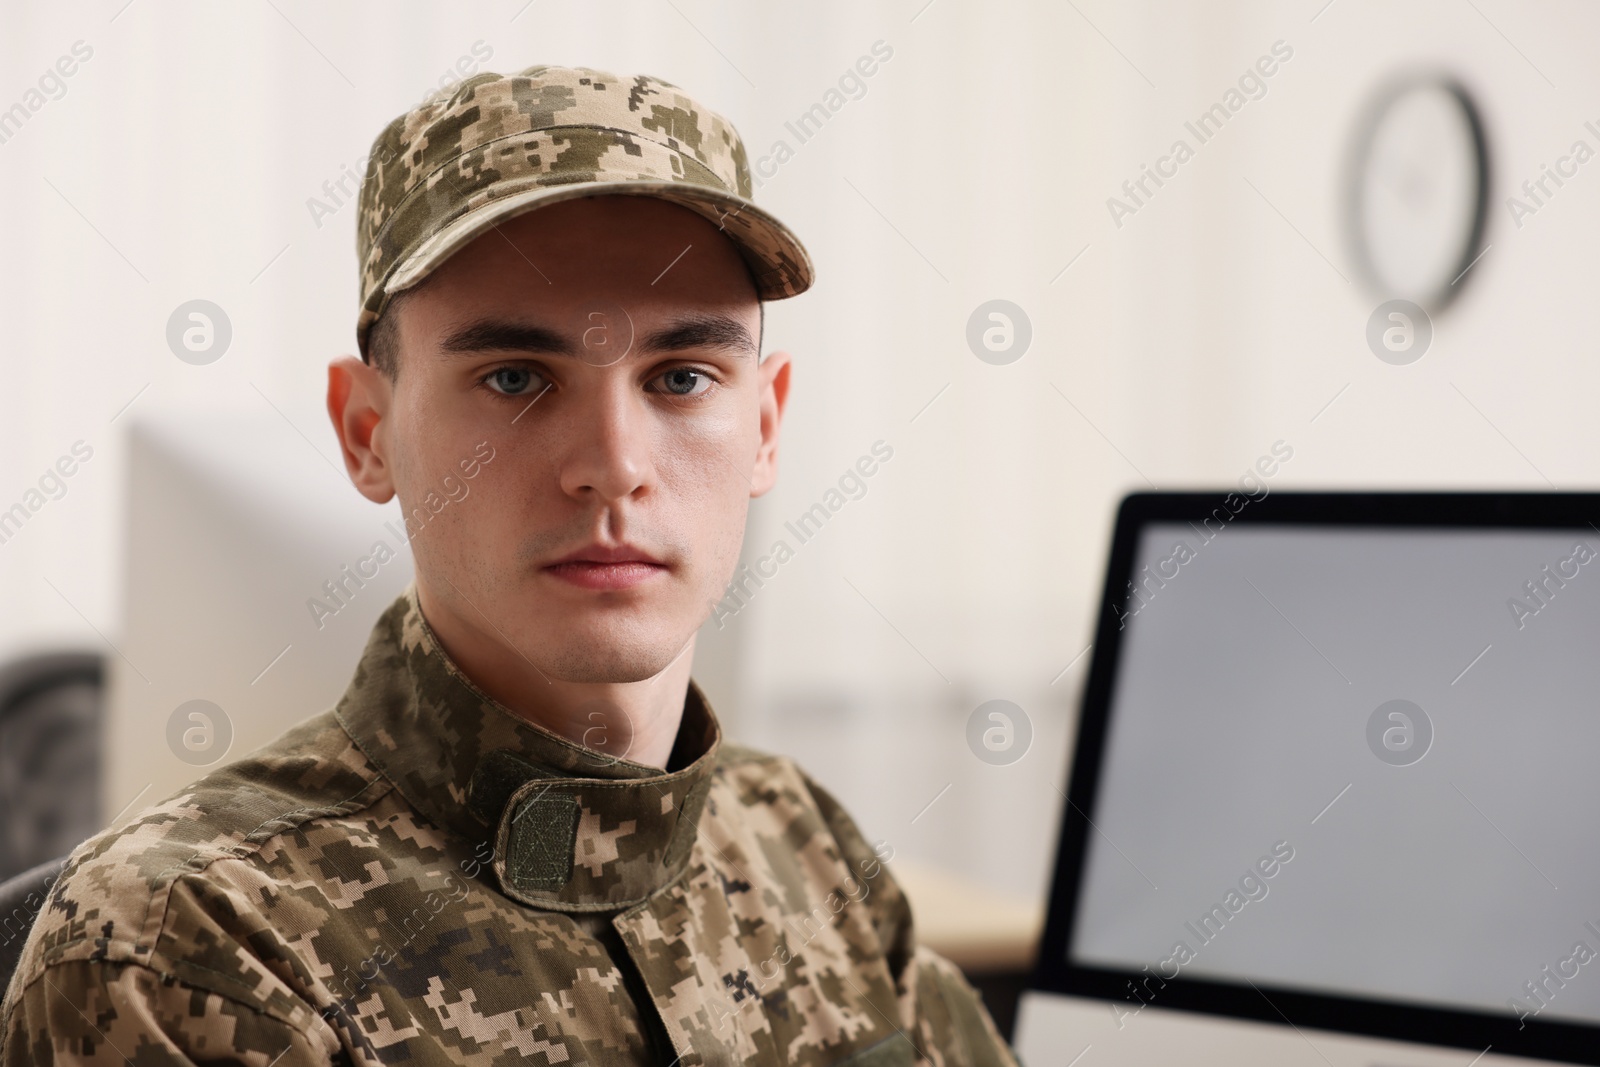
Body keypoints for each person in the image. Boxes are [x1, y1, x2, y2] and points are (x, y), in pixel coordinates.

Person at [0, 65, 1018, 1066]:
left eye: (681, 376)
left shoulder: (802, 844)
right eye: (517, 376)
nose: (613, 466)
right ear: (367, 432)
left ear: (764, 425)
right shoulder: (192, 946)